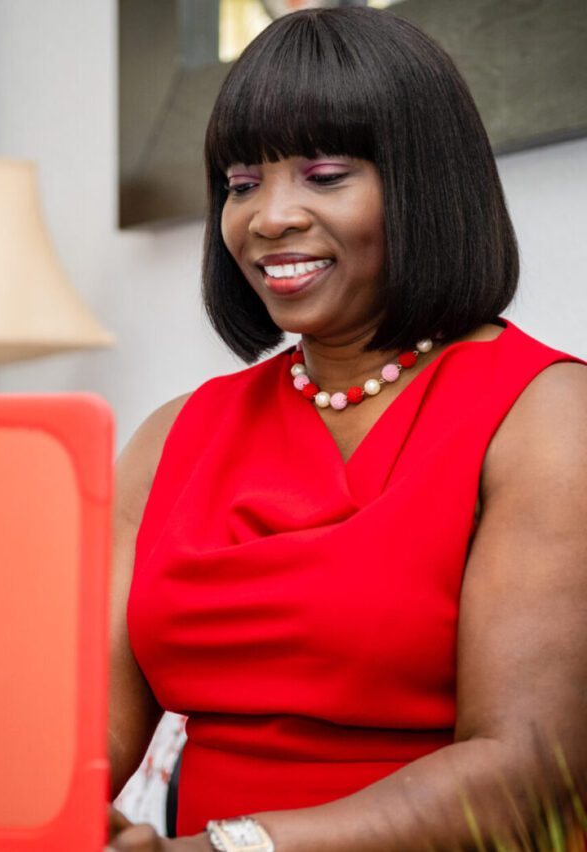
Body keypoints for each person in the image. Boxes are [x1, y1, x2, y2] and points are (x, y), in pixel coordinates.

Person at [106, 7, 587, 851]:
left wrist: (227, 847)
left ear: (424, 183)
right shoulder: (172, 436)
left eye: (324, 174)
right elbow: (85, 728)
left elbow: (531, 775)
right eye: (242, 181)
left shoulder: (545, 417)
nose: (268, 218)